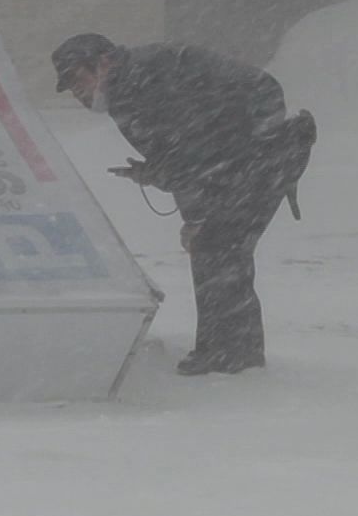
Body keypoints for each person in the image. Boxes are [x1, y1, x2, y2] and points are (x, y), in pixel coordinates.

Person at [52, 33, 315, 376]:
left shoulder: (152, 75)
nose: (77, 92)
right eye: (70, 86)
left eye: (78, 78)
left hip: (263, 154)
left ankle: (233, 354)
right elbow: (181, 157)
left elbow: (196, 145)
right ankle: (228, 350)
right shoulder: (127, 92)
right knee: (216, 245)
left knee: (219, 245)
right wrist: (167, 186)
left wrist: (257, 145)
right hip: (239, 162)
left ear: (104, 62)